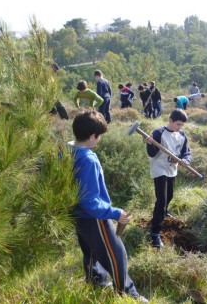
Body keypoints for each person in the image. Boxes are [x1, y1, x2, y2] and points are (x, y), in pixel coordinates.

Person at [69, 110, 147, 302]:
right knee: (116, 254)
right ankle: (128, 294)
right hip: (93, 217)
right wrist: (114, 213)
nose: (99, 140)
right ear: (93, 136)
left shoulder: (68, 149)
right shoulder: (87, 159)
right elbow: (89, 199)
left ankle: (97, 283)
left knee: (90, 251)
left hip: (77, 215)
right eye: (99, 136)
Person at [145, 109, 191, 248]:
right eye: (177, 124)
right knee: (162, 199)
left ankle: (164, 211)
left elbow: (186, 152)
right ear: (170, 120)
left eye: (182, 125)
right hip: (159, 168)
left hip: (172, 169)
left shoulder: (182, 135)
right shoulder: (159, 133)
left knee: (169, 195)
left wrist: (186, 160)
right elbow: (152, 154)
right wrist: (149, 143)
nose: (180, 127)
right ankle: (155, 233)